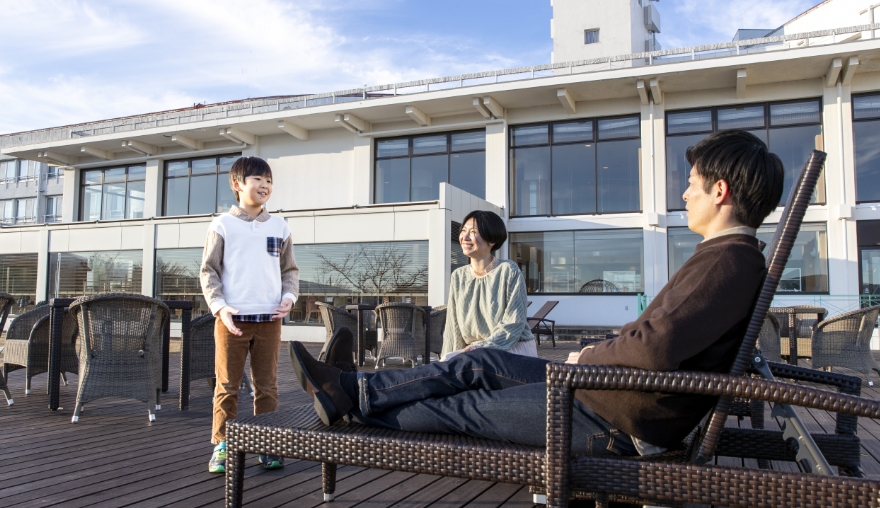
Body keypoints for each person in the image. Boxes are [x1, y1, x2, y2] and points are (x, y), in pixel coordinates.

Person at [290, 129, 783, 455]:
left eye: (692, 185)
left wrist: (591, 354)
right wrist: (596, 359)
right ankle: (351, 388)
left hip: (617, 423)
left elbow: (656, 345)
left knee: (463, 407)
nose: (684, 193)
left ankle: (352, 400)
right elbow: (660, 338)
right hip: (603, 396)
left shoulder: (729, 263)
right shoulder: (724, 259)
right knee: (474, 365)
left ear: (720, 192)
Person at [199, 156, 299, 473]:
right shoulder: (222, 225)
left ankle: (266, 443)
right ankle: (222, 444)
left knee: (267, 386)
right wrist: (219, 306)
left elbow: (290, 271)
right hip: (231, 322)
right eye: (258, 179)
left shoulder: (279, 226)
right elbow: (208, 272)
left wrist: (289, 297)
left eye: (269, 181)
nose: (265, 185)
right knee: (227, 386)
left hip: (270, 321)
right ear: (237, 184)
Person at [442, 210, 534, 361]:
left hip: (512, 348)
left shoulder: (508, 271)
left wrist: (479, 348)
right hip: (473, 353)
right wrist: (448, 362)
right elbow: (453, 328)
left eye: (473, 232)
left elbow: (514, 324)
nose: (465, 237)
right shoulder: (458, 276)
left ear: (492, 240)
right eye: (463, 231)